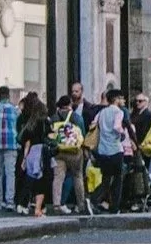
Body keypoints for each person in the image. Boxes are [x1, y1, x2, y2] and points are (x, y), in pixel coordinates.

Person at [92, 87, 129, 215]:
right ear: (115, 99)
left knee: (106, 179)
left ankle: (94, 198)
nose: (123, 100)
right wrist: (123, 134)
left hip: (103, 150)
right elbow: (117, 126)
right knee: (118, 179)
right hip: (115, 149)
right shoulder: (119, 112)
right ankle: (115, 207)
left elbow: (93, 124)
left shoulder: (102, 112)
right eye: (121, 98)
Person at [50, 95, 89, 215]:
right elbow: (82, 134)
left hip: (59, 151)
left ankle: (56, 204)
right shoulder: (76, 117)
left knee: (58, 177)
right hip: (75, 152)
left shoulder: (54, 117)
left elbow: (50, 134)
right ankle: (81, 204)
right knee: (77, 176)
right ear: (70, 104)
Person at [17, 92, 49, 217]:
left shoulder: (30, 123)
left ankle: (24, 203)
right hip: (41, 151)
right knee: (40, 180)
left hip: (31, 151)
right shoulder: (44, 122)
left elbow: (27, 141)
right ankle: (38, 206)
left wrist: (25, 158)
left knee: (30, 178)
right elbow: (50, 136)